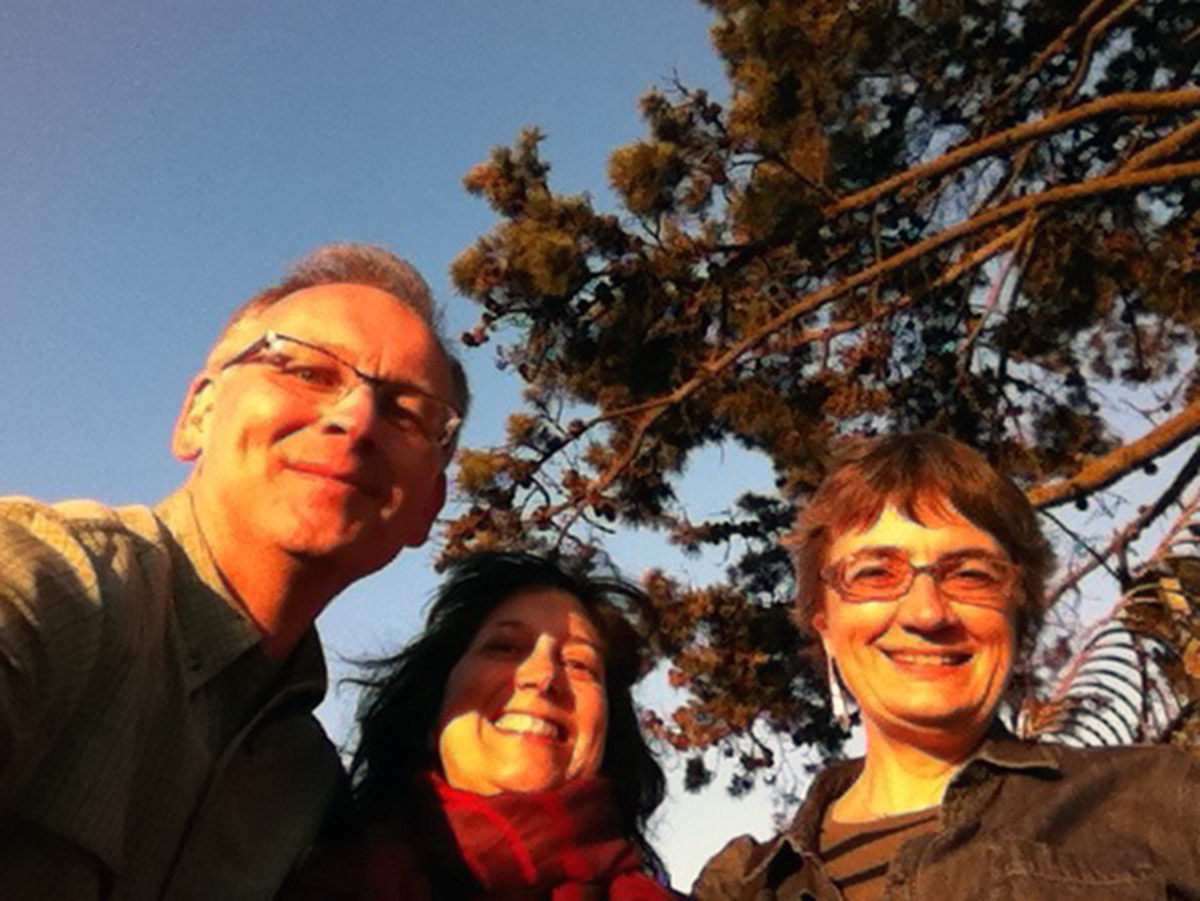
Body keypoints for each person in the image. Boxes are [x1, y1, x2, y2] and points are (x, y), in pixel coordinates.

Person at [0, 243, 469, 899]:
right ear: (199, 413)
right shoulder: (59, 583)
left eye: (404, 411)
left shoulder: (311, 793)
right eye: (307, 371)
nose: (357, 419)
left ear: (429, 508)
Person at [693, 432, 1200, 900]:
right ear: (824, 625)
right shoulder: (743, 886)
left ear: (1017, 616)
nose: (927, 613)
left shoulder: (1165, 802)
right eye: (875, 573)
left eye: (971, 574)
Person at [281, 550, 676, 900]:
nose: (542, 676)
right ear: (432, 711)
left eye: (578, 664)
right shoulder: (291, 876)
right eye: (504, 647)